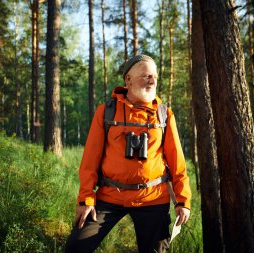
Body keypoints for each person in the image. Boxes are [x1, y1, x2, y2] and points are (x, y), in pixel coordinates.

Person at [65, 54, 191, 253]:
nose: (152, 80)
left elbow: (178, 163)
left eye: (154, 76)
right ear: (128, 80)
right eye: (145, 76)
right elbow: (90, 160)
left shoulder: (164, 114)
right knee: (76, 247)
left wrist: (183, 201)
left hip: (152, 198)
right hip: (110, 196)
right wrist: (85, 199)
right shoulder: (106, 112)